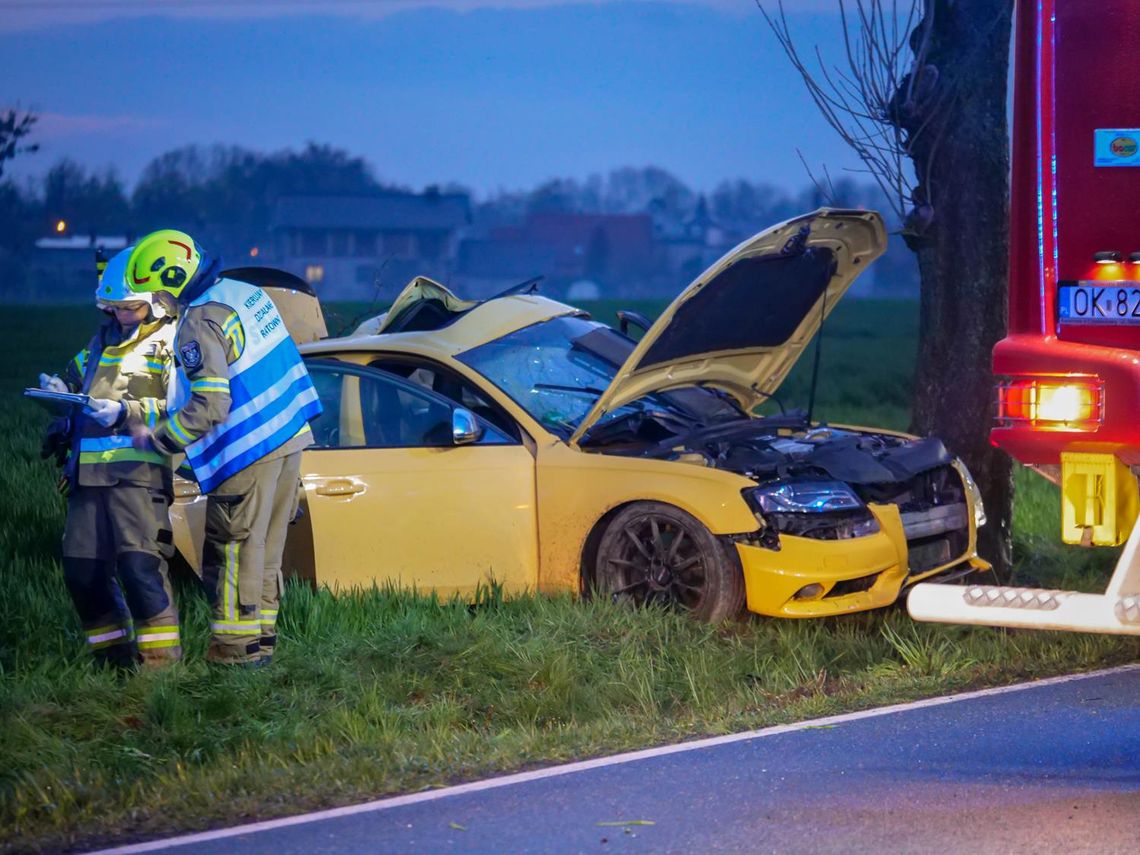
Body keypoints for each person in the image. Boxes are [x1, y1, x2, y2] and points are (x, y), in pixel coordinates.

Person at [126, 229, 322, 667]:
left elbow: (212, 403)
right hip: (289, 435)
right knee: (267, 548)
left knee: (234, 551)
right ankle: (262, 644)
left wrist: (160, 439)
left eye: (156, 291)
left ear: (174, 278)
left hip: (247, 449)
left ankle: (234, 654)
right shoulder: (243, 292)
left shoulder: (198, 321)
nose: (156, 301)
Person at [40, 246, 182, 669]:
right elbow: (74, 376)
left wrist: (126, 412)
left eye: (129, 307)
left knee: (141, 571)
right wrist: (57, 391)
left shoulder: (171, 340)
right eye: (113, 308)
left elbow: (180, 408)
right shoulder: (103, 338)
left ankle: (160, 671)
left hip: (138, 477)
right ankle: (113, 664)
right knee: (82, 574)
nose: (120, 315)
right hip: (87, 478)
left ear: (156, 299)